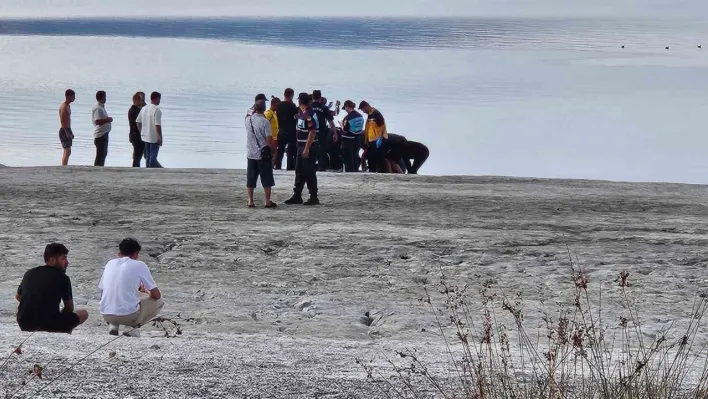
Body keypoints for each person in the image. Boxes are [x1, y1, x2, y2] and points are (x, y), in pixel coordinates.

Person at [15, 243, 89, 333]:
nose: (67, 262)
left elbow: (18, 297)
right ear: (52, 260)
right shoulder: (63, 278)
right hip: (49, 324)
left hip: (24, 323)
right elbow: (69, 308)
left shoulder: (29, 273)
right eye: (63, 258)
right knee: (83, 314)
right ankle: (65, 330)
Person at [99, 238, 164, 337]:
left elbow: (103, 290)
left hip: (106, 315)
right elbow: (156, 295)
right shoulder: (139, 265)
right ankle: (131, 327)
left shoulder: (110, 263)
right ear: (136, 254)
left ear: (119, 253)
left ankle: (114, 326)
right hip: (127, 316)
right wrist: (146, 291)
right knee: (160, 301)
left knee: (124, 297)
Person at [285, 92, 320, 206]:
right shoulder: (302, 113)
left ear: (299, 101)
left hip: (308, 147)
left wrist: (306, 148)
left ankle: (313, 196)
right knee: (299, 171)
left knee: (309, 172)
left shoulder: (309, 114)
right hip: (300, 146)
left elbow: (312, 132)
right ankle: (297, 195)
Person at [245, 101, 277, 208]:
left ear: (254, 108)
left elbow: (248, 112)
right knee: (266, 178)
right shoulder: (265, 122)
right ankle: (267, 201)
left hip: (250, 152)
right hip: (263, 154)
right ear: (264, 109)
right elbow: (269, 139)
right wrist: (273, 150)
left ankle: (250, 200)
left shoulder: (248, 120)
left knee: (251, 177)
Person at [311, 90, 338, 171]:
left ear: (312, 97)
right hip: (322, 132)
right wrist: (335, 133)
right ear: (320, 97)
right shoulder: (324, 108)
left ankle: (310, 166)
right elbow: (331, 122)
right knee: (322, 149)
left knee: (310, 148)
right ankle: (321, 167)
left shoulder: (309, 107)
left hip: (310, 131)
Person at [359, 101, 388, 173]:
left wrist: (380, 138)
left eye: (362, 109)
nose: (363, 111)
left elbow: (382, 126)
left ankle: (380, 171)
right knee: (371, 157)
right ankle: (372, 170)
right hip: (370, 140)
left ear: (366, 107)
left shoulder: (376, 114)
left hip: (376, 140)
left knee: (378, 157)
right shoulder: (370, 114)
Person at [137, 92, 163, 168]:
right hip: (153, 137)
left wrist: (141, 132)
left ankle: (148, 169)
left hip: (145, 136)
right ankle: (151, 170)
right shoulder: (157, 110)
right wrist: (159, 137)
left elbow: (138, 122)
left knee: (148, 155)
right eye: (159, 99)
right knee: (153, 156)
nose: (159, 101)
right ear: (156, 99)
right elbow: (157, 125)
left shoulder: (144, 108)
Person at [276, 88, 299, 170]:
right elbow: (297, 116)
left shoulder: (278, 105)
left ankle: (278, 166)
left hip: (281, 129)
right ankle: (289, 167)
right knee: (290, 151)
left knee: (280, 150)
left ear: (284, 94)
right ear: (292, 95)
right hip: (291, 131)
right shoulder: (292, 106)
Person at [340, 100, 365, 172]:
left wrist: (341, 125)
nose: (345, 110)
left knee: (348, 156)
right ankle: (356, 169)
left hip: (348, 139)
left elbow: (345, 129)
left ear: (347, 106)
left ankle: (350, 170)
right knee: (355, 154)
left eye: (345, 108)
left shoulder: (348, 117)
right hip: (358, 138)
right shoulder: (360, 116)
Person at [92, 90, 113, 167]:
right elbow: (97, 121)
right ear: (101, 98)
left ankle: (100, 166)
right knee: (100, 154)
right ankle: (97, 168)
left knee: (103, 153)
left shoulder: (101, 107)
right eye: (105, 97)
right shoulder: (98, 108)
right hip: (100, 134)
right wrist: (108, 119)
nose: (105, 99)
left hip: (104, 133)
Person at [128, 92, 146, 167]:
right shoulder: (135, 110)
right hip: (136, 135)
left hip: (133, 134)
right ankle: (135, 167)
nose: (143, 102)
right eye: (142, 100)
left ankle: (136, 166)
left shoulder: (133, 110)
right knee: (138, 153)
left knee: (137, 153)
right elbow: (138, 122)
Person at [58, 89, 75, 166]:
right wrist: (67, 132)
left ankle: (64, 165)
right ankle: (64, 166)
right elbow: (62, 120)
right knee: (67, 150)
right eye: (73, 96)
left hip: (67, 129)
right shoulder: (64, 107)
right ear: (68, 96)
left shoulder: (67, 106)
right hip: (64, 129)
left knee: (68, 150)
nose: (74, 98)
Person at [265, 97, 280, 167]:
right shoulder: (268, 113)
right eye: (278, 106)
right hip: (270, 138)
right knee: (272, 154)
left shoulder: (274, 113)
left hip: (274, 138)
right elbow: (264, 124)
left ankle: (271, 167)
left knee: (274, 154)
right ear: (273, 104)